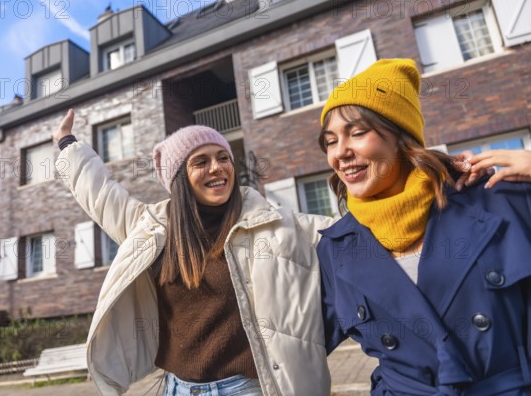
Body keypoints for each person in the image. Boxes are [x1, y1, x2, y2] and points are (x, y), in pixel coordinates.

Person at [53, 112, 334, 396]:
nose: (217, 168)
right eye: (200, 162)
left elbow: (345, 231)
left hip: (247, 389)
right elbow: (101, 193)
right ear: (179, 178)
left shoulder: (272, 223)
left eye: (223, 158)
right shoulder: (153, 229)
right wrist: (67, 143)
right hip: (178, 388)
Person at [316, 58, 531, 395]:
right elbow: (296, 339)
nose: (340, 152)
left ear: (402, 138)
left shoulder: (497, 198)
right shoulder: (335, 248)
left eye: (357, 133)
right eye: (329, 141)